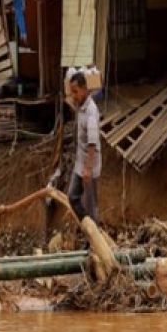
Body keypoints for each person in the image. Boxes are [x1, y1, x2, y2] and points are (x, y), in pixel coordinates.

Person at [66, 71, 101, 223]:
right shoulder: (80, 106)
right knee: (72, 196)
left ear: (84, 89)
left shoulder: (91, 110)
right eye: (71, 92)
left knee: (91, 205)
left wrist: (87, 168)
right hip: (80, 162)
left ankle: (93, 235)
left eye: (75, 91)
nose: (74, 95)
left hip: (89, 164)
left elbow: (92, 142)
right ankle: (87, 226)